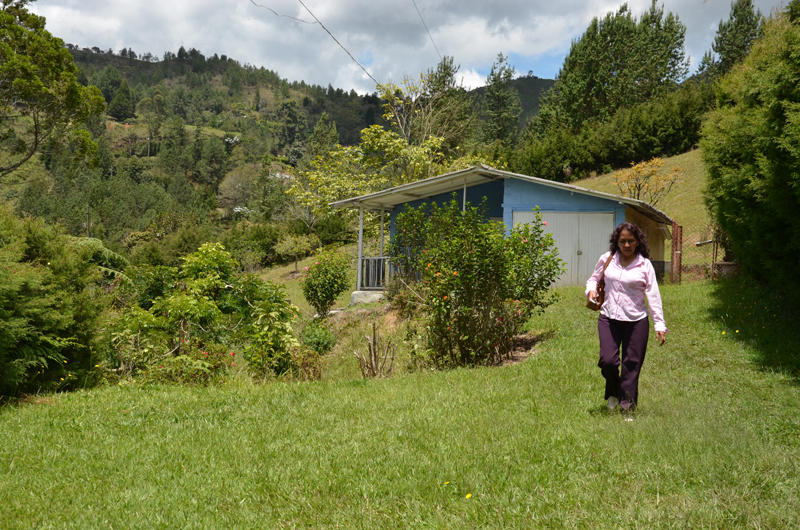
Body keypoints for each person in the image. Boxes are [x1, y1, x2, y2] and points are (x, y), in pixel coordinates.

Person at [585, 222, 667, 412]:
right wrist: (591, 291)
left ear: (638, 241)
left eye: (631, 241)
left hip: (636, 322)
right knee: (608, 361)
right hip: (608, 318)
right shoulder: (607, 259)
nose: (627, 245)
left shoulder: (644, 265)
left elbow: (653, 295)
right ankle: (614, 393)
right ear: (617, 242)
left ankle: (628, 406)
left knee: (631, 364)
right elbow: (594, 279)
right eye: (622, 241)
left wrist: (659, 324)